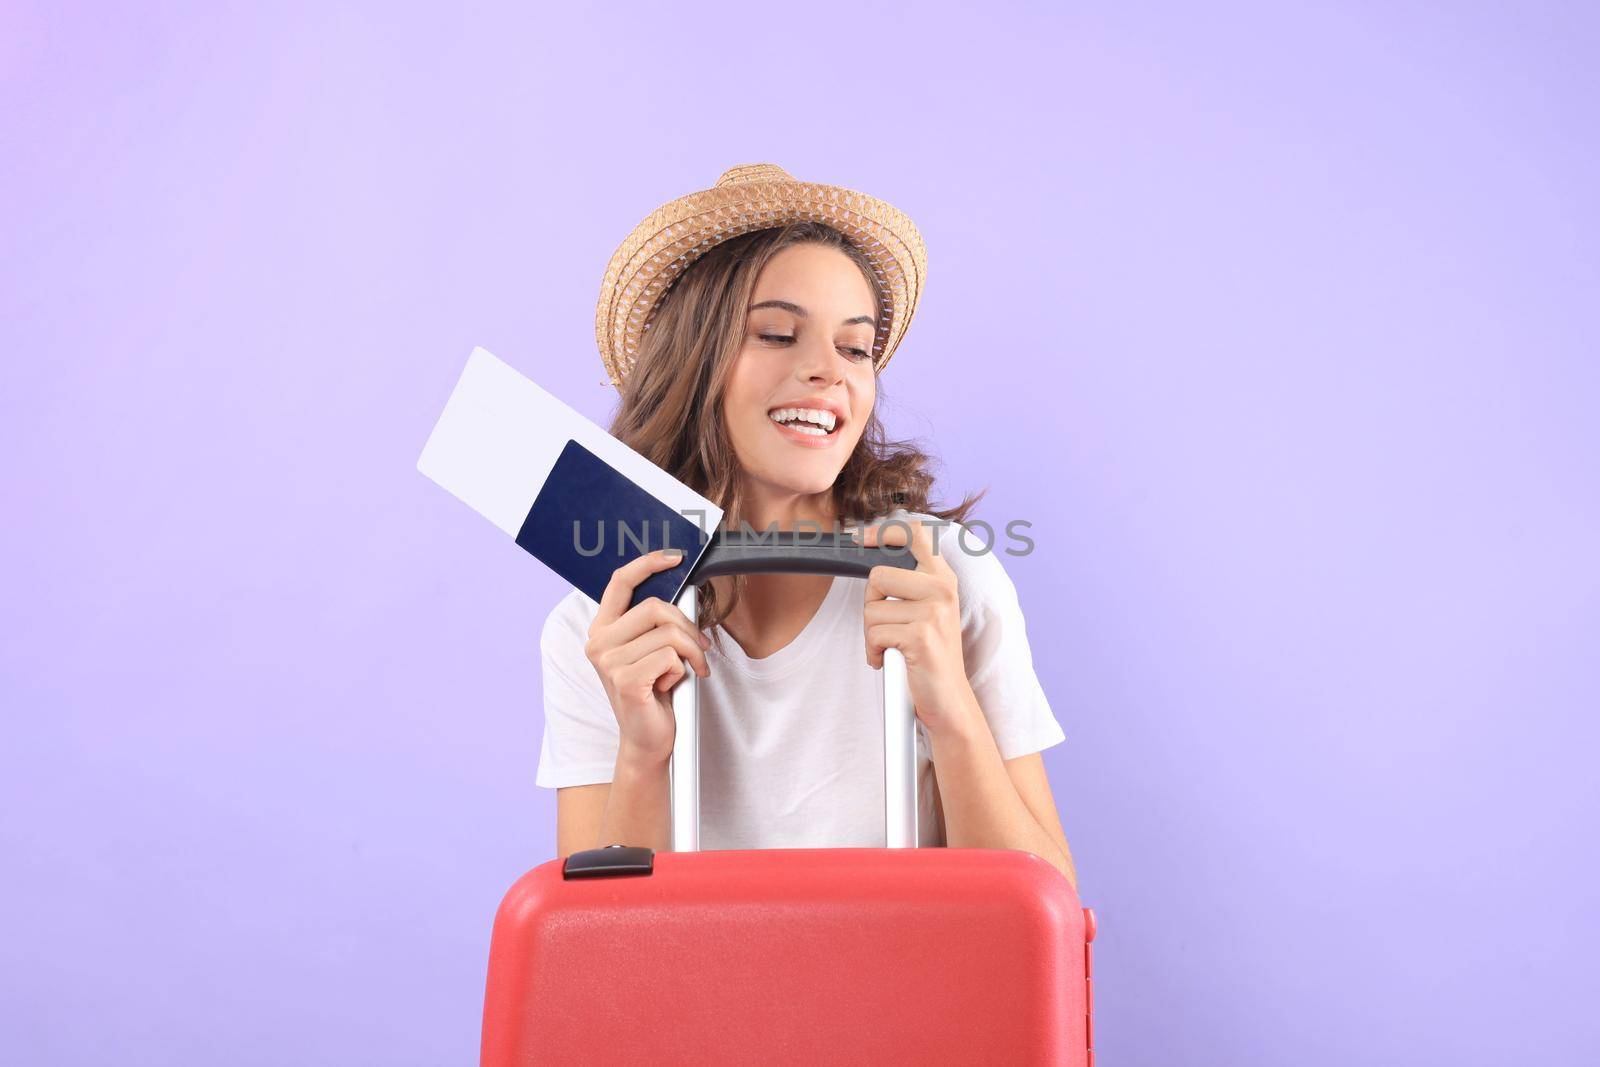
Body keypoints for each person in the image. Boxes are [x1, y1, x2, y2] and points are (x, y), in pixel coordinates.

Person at [536, 164, 1077, 887]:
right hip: (710, 998)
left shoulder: (945, 577)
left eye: (856, 348)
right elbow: (598, 960)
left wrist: (949, 706)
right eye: (777, 334)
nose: (829, 371)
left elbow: (1045, 915)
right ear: (694, 364)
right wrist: (642, 753)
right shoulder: (599, 625)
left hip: (909, 994)